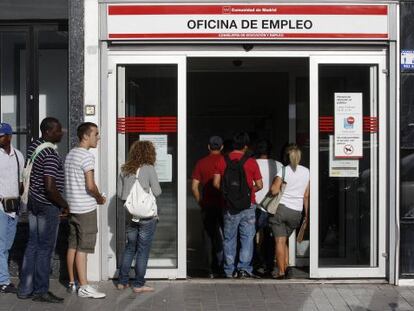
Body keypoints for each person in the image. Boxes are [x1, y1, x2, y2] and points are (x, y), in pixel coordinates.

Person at [17, 117, 68, 303]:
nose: (61, 132)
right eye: (57, 130)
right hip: (47, 207)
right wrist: (64, 204)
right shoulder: (50, 154)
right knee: (45, 248)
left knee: (32, 245)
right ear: (47, 132)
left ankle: (25, 289)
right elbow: (50, 186)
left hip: (32, 204)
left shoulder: (34, 146)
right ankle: (41, 290)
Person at [65, 122, 106, 298]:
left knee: (72, 245)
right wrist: (99, 198)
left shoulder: (70, 154)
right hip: (85, 209)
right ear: (85, 136)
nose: (98, 137)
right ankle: (84, 286)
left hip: (73, 207)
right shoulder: (87, 157)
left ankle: (72, 282)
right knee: (84, 247)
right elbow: (90, 185)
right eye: (95, 134)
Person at [213, 132, 263, 278]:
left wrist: (228, 194)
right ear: (245, 147)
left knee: (229, 238)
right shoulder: (251, 162)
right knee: (247, 238)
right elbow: (259, 185)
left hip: (229, 206)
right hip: (248, 205)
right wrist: (247, 192)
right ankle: (244, 269)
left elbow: (216, 183)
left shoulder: (222, 161)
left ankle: (229, 270)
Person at [117, 140, 161, 293]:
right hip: (147, 217)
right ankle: (138, 284)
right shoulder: (149, 169)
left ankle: (122, 282)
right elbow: (157, 192)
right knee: (143, 250)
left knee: (130, 247)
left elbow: (120, 195)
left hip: (131, 215)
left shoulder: (124, 170)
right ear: (150, 153)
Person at [269, 144, 309, 279]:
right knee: (284, 240)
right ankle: (286, 267)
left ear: (287, 157)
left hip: (281, 210)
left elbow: (274, 190)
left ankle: (281, 272)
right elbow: (306, 195)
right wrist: (306, 215)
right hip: (296, 212)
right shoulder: (307, 172)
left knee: (279, 241)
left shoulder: (283, 171)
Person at [191, 136, 224, 278]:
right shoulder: (226, 162)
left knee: (209, 237)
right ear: (222, 147)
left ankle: (210, 268)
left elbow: (194, 187)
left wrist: (201, 202)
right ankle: (224, 267)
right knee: (226, 236)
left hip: (208, 205)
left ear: (209, 147)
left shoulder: (201, 163)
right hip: (225, 205)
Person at [0, 123, 24, 294]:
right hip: (0, 207)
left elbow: (21, 181)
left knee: (7, 246)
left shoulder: (18, 156)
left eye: (1, 135)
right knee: (0, 246)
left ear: (9, 136)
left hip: (14, 207)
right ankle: (4, 281)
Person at [253, 139, 282, 275]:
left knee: (250, 237)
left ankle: (254, 263)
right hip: (272, 207)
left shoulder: (251, 163)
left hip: (255, 206)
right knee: (270, 238)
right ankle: (269, 265)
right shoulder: (278, 165)